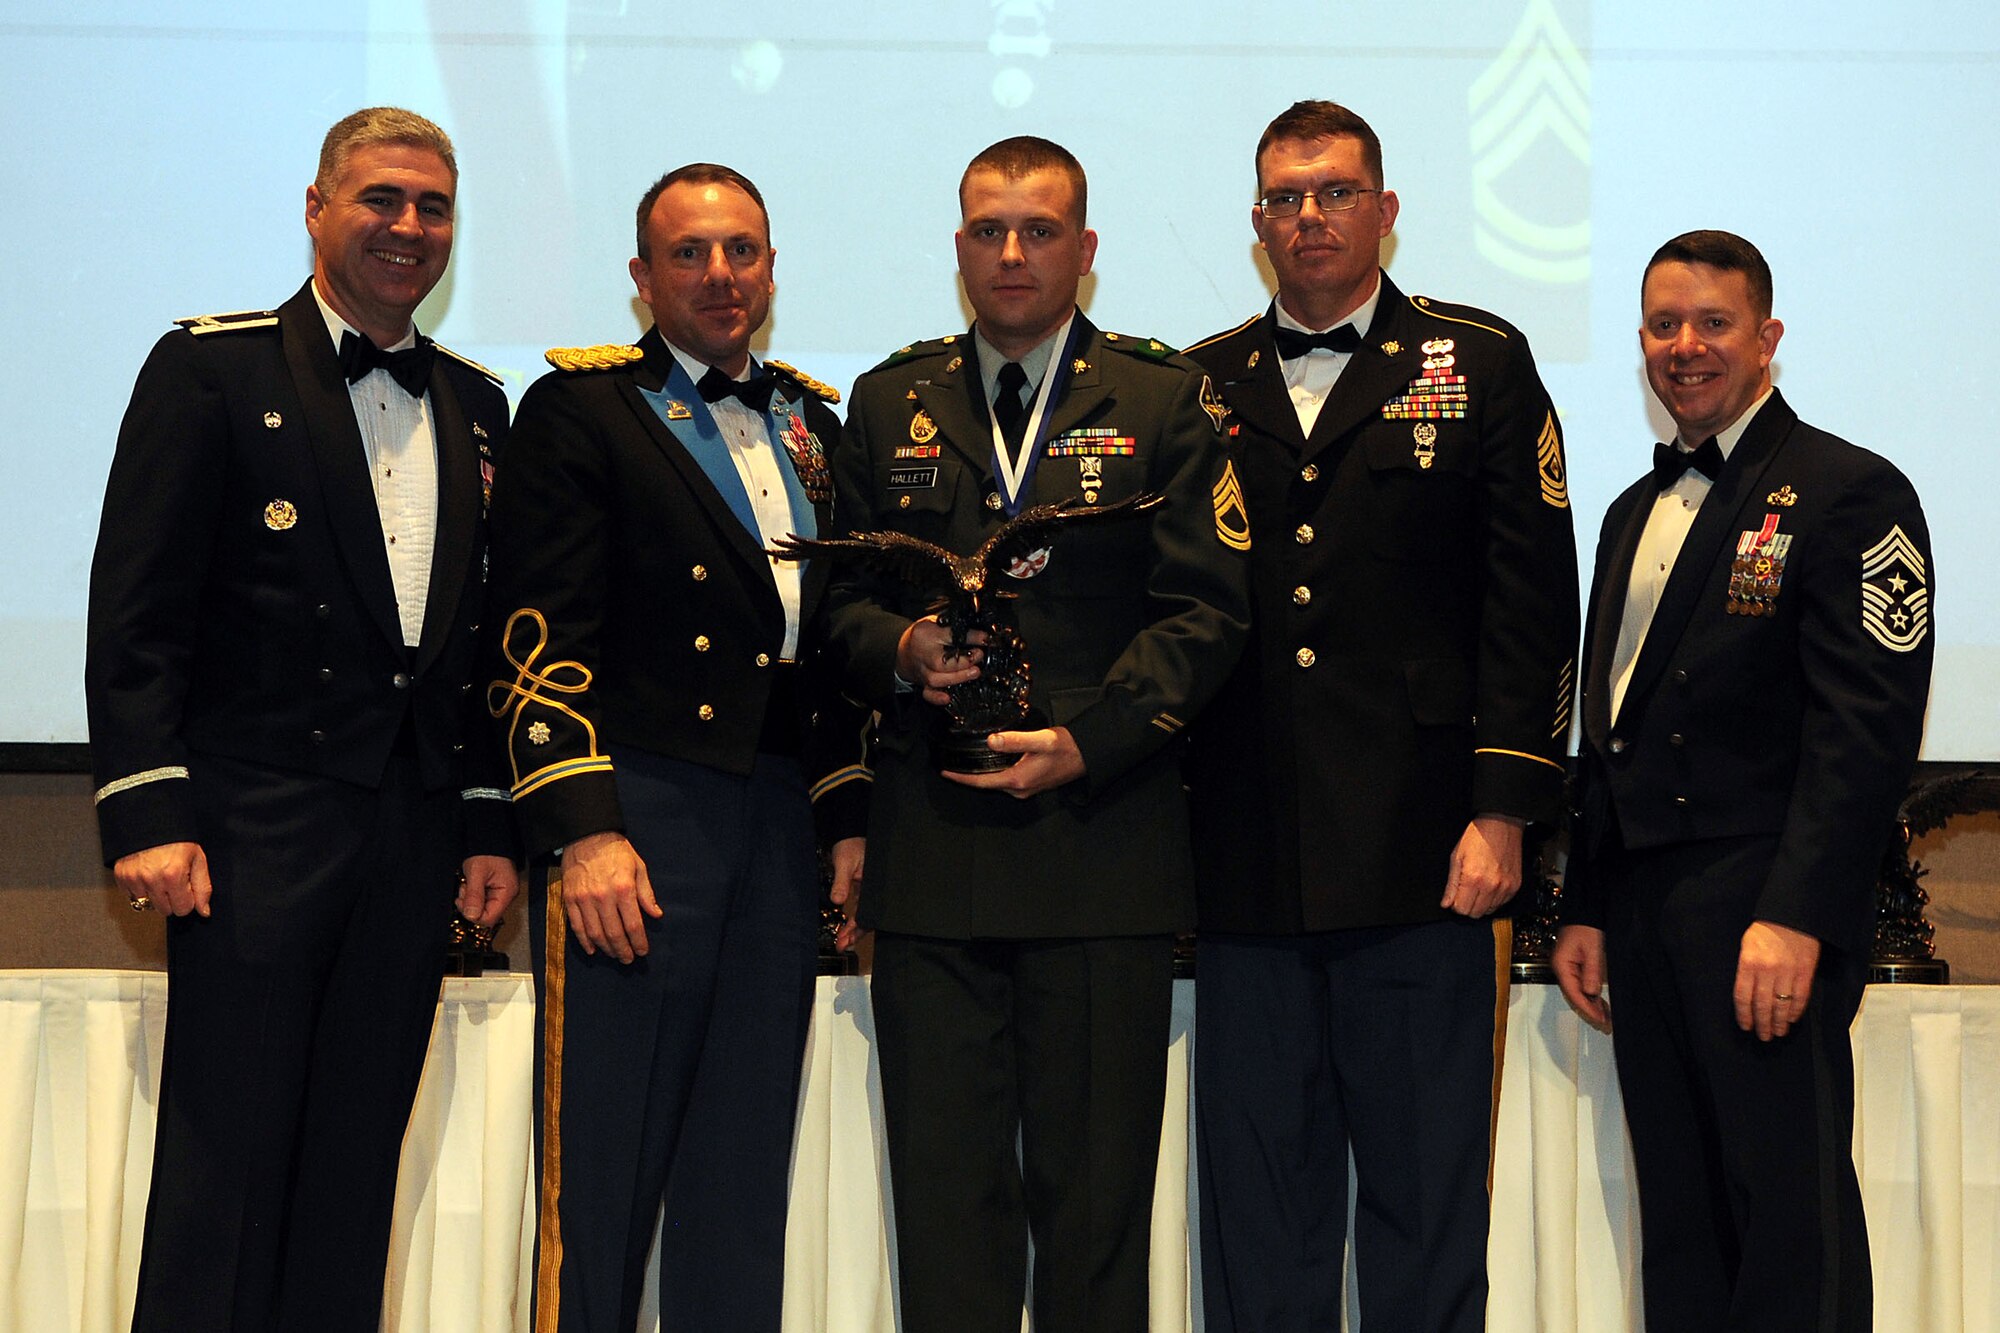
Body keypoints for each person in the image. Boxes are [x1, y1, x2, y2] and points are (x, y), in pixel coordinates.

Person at [84, 107, 518, 1331]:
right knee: (224, 1174)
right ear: (318, 207)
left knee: (352, 1171)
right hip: (247, 834)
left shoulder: (480, 406)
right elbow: (138, 614)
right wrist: (148, 811)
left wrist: (485, 815)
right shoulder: (211, 369)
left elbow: (481, 645)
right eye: (381, 198)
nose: (408, 228)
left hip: (410, 835)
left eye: (432, 207)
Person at [822, 136, 1250, 1332]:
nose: (1011, 254)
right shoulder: (889, 398)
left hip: (1097, 850)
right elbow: (839, 607)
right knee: (947, 1212)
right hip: (934, 859)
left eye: (1039, 230)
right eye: (987, 230)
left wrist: (1090, 738)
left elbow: (1207, 611)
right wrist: (901, 651)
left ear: (1087, 250)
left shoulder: (1162, 400)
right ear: (957, 246)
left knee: (1094, 1212)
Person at [1181, 99, 1579, 1332]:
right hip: (1244, 863)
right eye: (1286, 197)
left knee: (1420, 1213)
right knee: (1258, 1221)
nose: (1311, 216)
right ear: (1256, 222)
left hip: (1426, 864)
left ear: (1387, 212)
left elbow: (1532, 602)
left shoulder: (1480, 362)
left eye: (1336, 192)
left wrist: (1504, 806)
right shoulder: (1196, 383)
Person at [484, 162, 868, 1333]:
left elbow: (833, 644)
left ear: (770, 267)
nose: (720, 275)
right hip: (639, 823)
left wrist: (845, 811)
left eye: (742, 251)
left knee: (739, 1177)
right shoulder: (582, 411)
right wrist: (583, 828)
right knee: (599, 1176)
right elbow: (535, 635)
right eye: (690, 253)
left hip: (772, 828)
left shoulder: (815, 421)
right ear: (641, 277)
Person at [1552, 230, 1934, 1331]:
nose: (1685, 346)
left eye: (1712, 324)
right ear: (1637, 344)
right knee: (1678, 1218)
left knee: (1784, 1218)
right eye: (1664, 326)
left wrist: (1798, 914)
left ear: (1765, 338)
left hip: (1761, 905)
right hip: (1643, 907)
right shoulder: (1631, 510)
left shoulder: (1849, 490)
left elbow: (1864, 729)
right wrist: (1586, 902)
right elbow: (1610, 726)